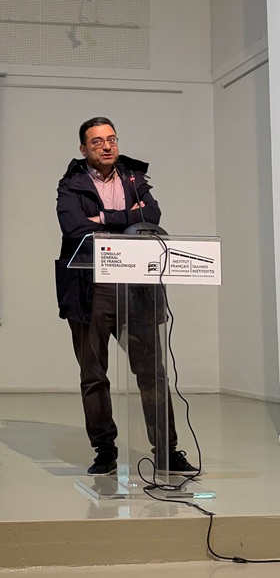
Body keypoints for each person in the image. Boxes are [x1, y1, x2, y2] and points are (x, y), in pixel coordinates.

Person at [55, 116, 198, 477]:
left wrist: (102, 218)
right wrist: (125, 219)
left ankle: (166, 451)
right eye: (97, 141)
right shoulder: (71, 184)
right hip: (91, 288)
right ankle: (105, 450)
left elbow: (152, 216)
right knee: (94, 375)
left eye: (112, 139)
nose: (107, 146)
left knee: (153, 373)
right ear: (84, 148)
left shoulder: (135, 179)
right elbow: (74, 227)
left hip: (137, 286)